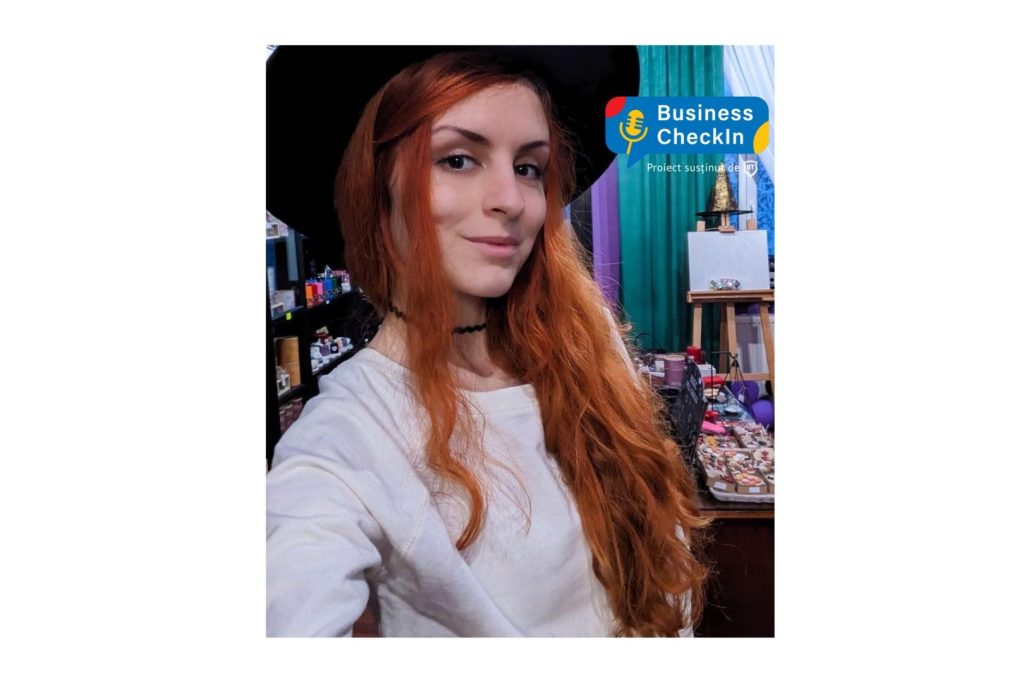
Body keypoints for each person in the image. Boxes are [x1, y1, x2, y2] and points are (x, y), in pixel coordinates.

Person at [266, 47, 708, 637]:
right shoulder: (349, 435)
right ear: (377, 187)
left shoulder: (585, 340)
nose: (512, 199)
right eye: (458, 159)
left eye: (528, 168)